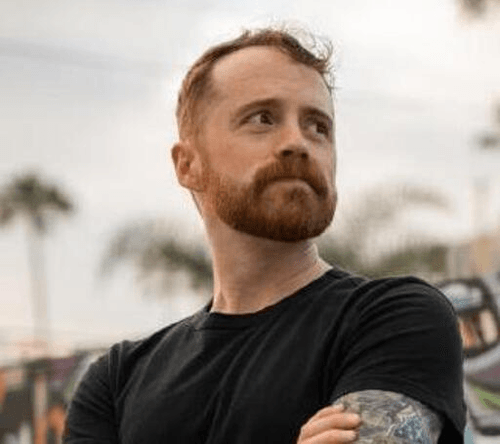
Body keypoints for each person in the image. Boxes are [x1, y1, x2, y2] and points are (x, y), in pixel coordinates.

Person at [64, 27, 466, 443]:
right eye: (262, 119)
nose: (297, 142)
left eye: (317, 126)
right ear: (188, 164)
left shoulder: (393, 319)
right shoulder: (115, 382)